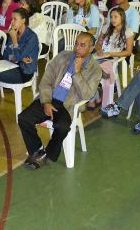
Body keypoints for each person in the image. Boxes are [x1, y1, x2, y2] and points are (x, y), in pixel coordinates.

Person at [18, 32, 101, 168]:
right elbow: (46, 80)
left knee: (62, 127)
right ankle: (37, 150)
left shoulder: (95, 69)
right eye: (76, 43)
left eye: (82, 45)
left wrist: (77, 72)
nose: (77, 48)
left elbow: (87, 95)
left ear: (91, 49)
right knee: (24, 118)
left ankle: (48, 154)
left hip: (68, 106)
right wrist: (46, 102)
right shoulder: (63, 56)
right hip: (49, 98)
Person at [93, 7, 135, 109]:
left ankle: (106, 103)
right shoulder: (106, 28)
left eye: (116, 17)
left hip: (114, 58)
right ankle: (94, 96)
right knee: (82, 65)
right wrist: (99, 50)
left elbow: (128, 52)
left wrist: (110, 54)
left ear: (122, 18)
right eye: (111, 17)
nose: (113, 19)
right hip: (100, 55)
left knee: (104, 69)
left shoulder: (128, 32)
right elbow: (98, 44)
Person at [0, 8, 40, 85]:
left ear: (23, 20)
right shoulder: (14, 32)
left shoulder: (31, 37)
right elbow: (6, 55)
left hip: (25, 72)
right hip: (13, 65)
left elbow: (16, 56)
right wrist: (20, 59)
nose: (12, 22)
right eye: (11, 19)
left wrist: (14, 40)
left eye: (15, 19)